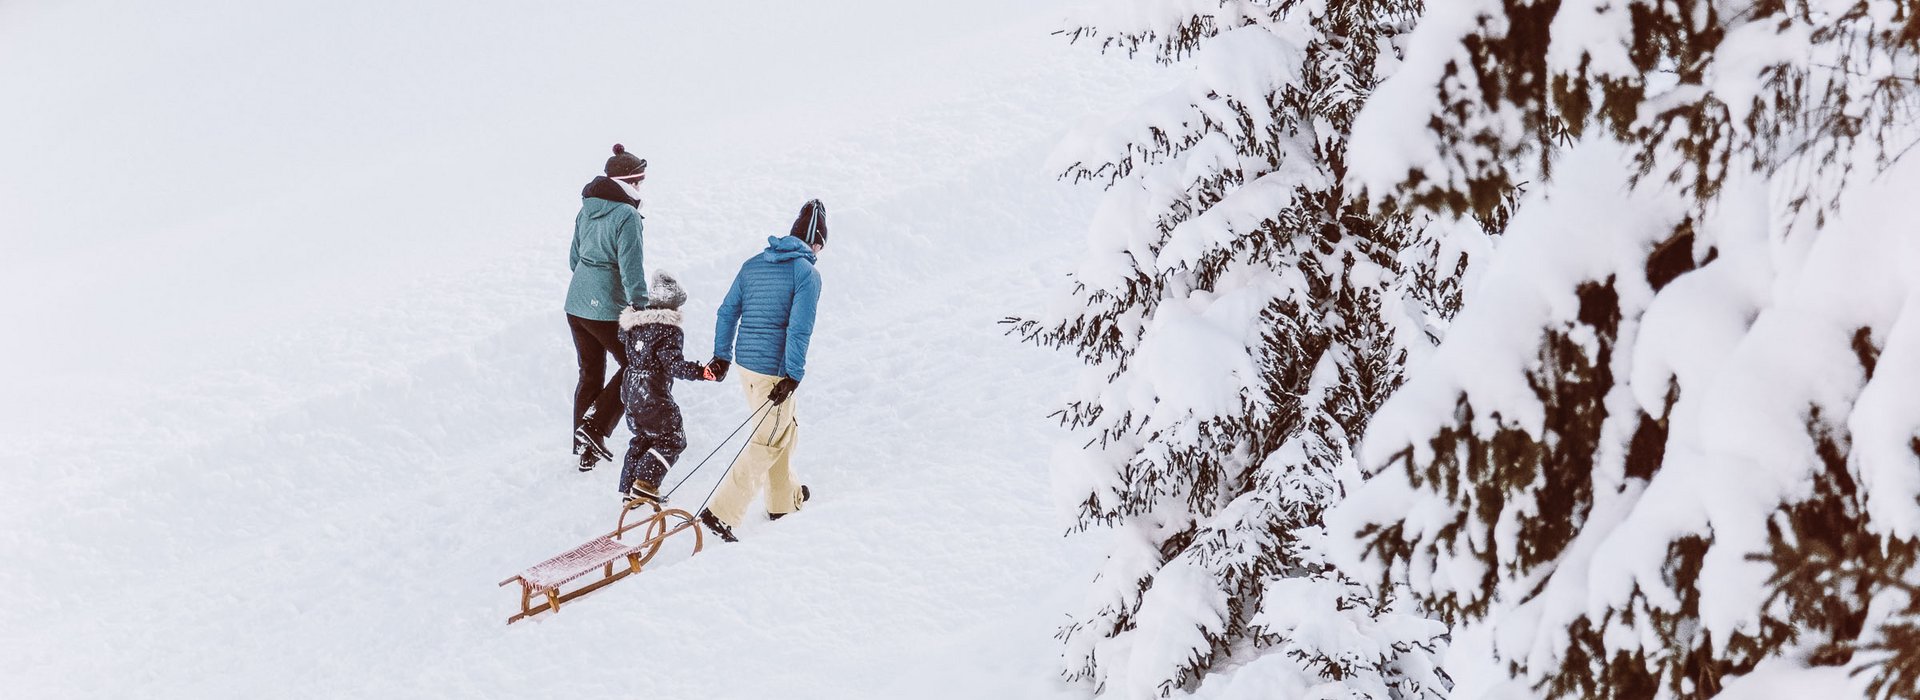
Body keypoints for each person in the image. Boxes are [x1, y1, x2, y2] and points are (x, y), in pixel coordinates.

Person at [700, 199, 828, 542]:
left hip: (746, 366)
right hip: (774, 370)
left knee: (784, 428)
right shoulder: (807, 274)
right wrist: (792, 374)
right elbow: (799, 328)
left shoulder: (753, 264)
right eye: (820, 245)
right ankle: (720, 513)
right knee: (768, 438)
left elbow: (727, 312)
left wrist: (722, 356)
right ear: (815, 242)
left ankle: (783, 501)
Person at [566, 144, 650, 471]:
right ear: (627, 182)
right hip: (604, 308)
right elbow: (632, 270)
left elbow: (574, 259)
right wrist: (641, 308)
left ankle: (583, 447)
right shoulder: (627, 216)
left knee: (590, 373)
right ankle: (596, 427)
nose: (642, 189)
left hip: (575, 305)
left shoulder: (585, 209)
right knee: (635, 363)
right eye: (639, 182)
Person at [615, 271, 720, 504]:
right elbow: (672, 364)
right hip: (652, 392)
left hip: (631, 390)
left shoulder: (635, 325)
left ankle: (628, 489)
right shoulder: (669, 330)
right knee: (672, 439)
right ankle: (644, 485)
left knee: (643, 437)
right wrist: (700, 371)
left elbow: (622, 336)